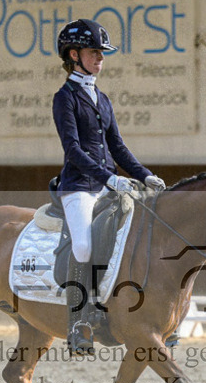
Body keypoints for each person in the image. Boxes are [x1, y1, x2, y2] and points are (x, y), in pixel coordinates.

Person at [52, 18, 166, 354]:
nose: (100, 58)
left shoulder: (102, 98)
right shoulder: (65, 97)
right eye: (93, 52)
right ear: (74, 54)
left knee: (135, 234)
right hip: (79, 188)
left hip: (107, 185)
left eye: (102, 53)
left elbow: (117, 147)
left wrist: (144, 174)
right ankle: (79, 323)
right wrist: (111, 179)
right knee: (84, 246)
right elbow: (72, 149)